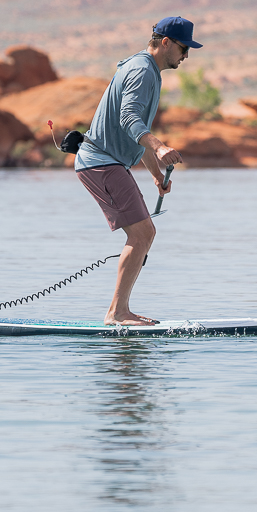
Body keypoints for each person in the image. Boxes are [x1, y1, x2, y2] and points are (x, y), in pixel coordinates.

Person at [75, 16, 203, 326]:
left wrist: (156, 174)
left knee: (144, 233)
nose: (186, 56)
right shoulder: (142, 71)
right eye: (184, 49)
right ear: (165, 43)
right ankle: (117, 313)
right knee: (143, 232)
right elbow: (129, 118)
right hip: (101, 162)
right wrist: (160, 148)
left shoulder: (145, 69)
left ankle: (119, 311)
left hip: (107, 163)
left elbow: (136, 131)